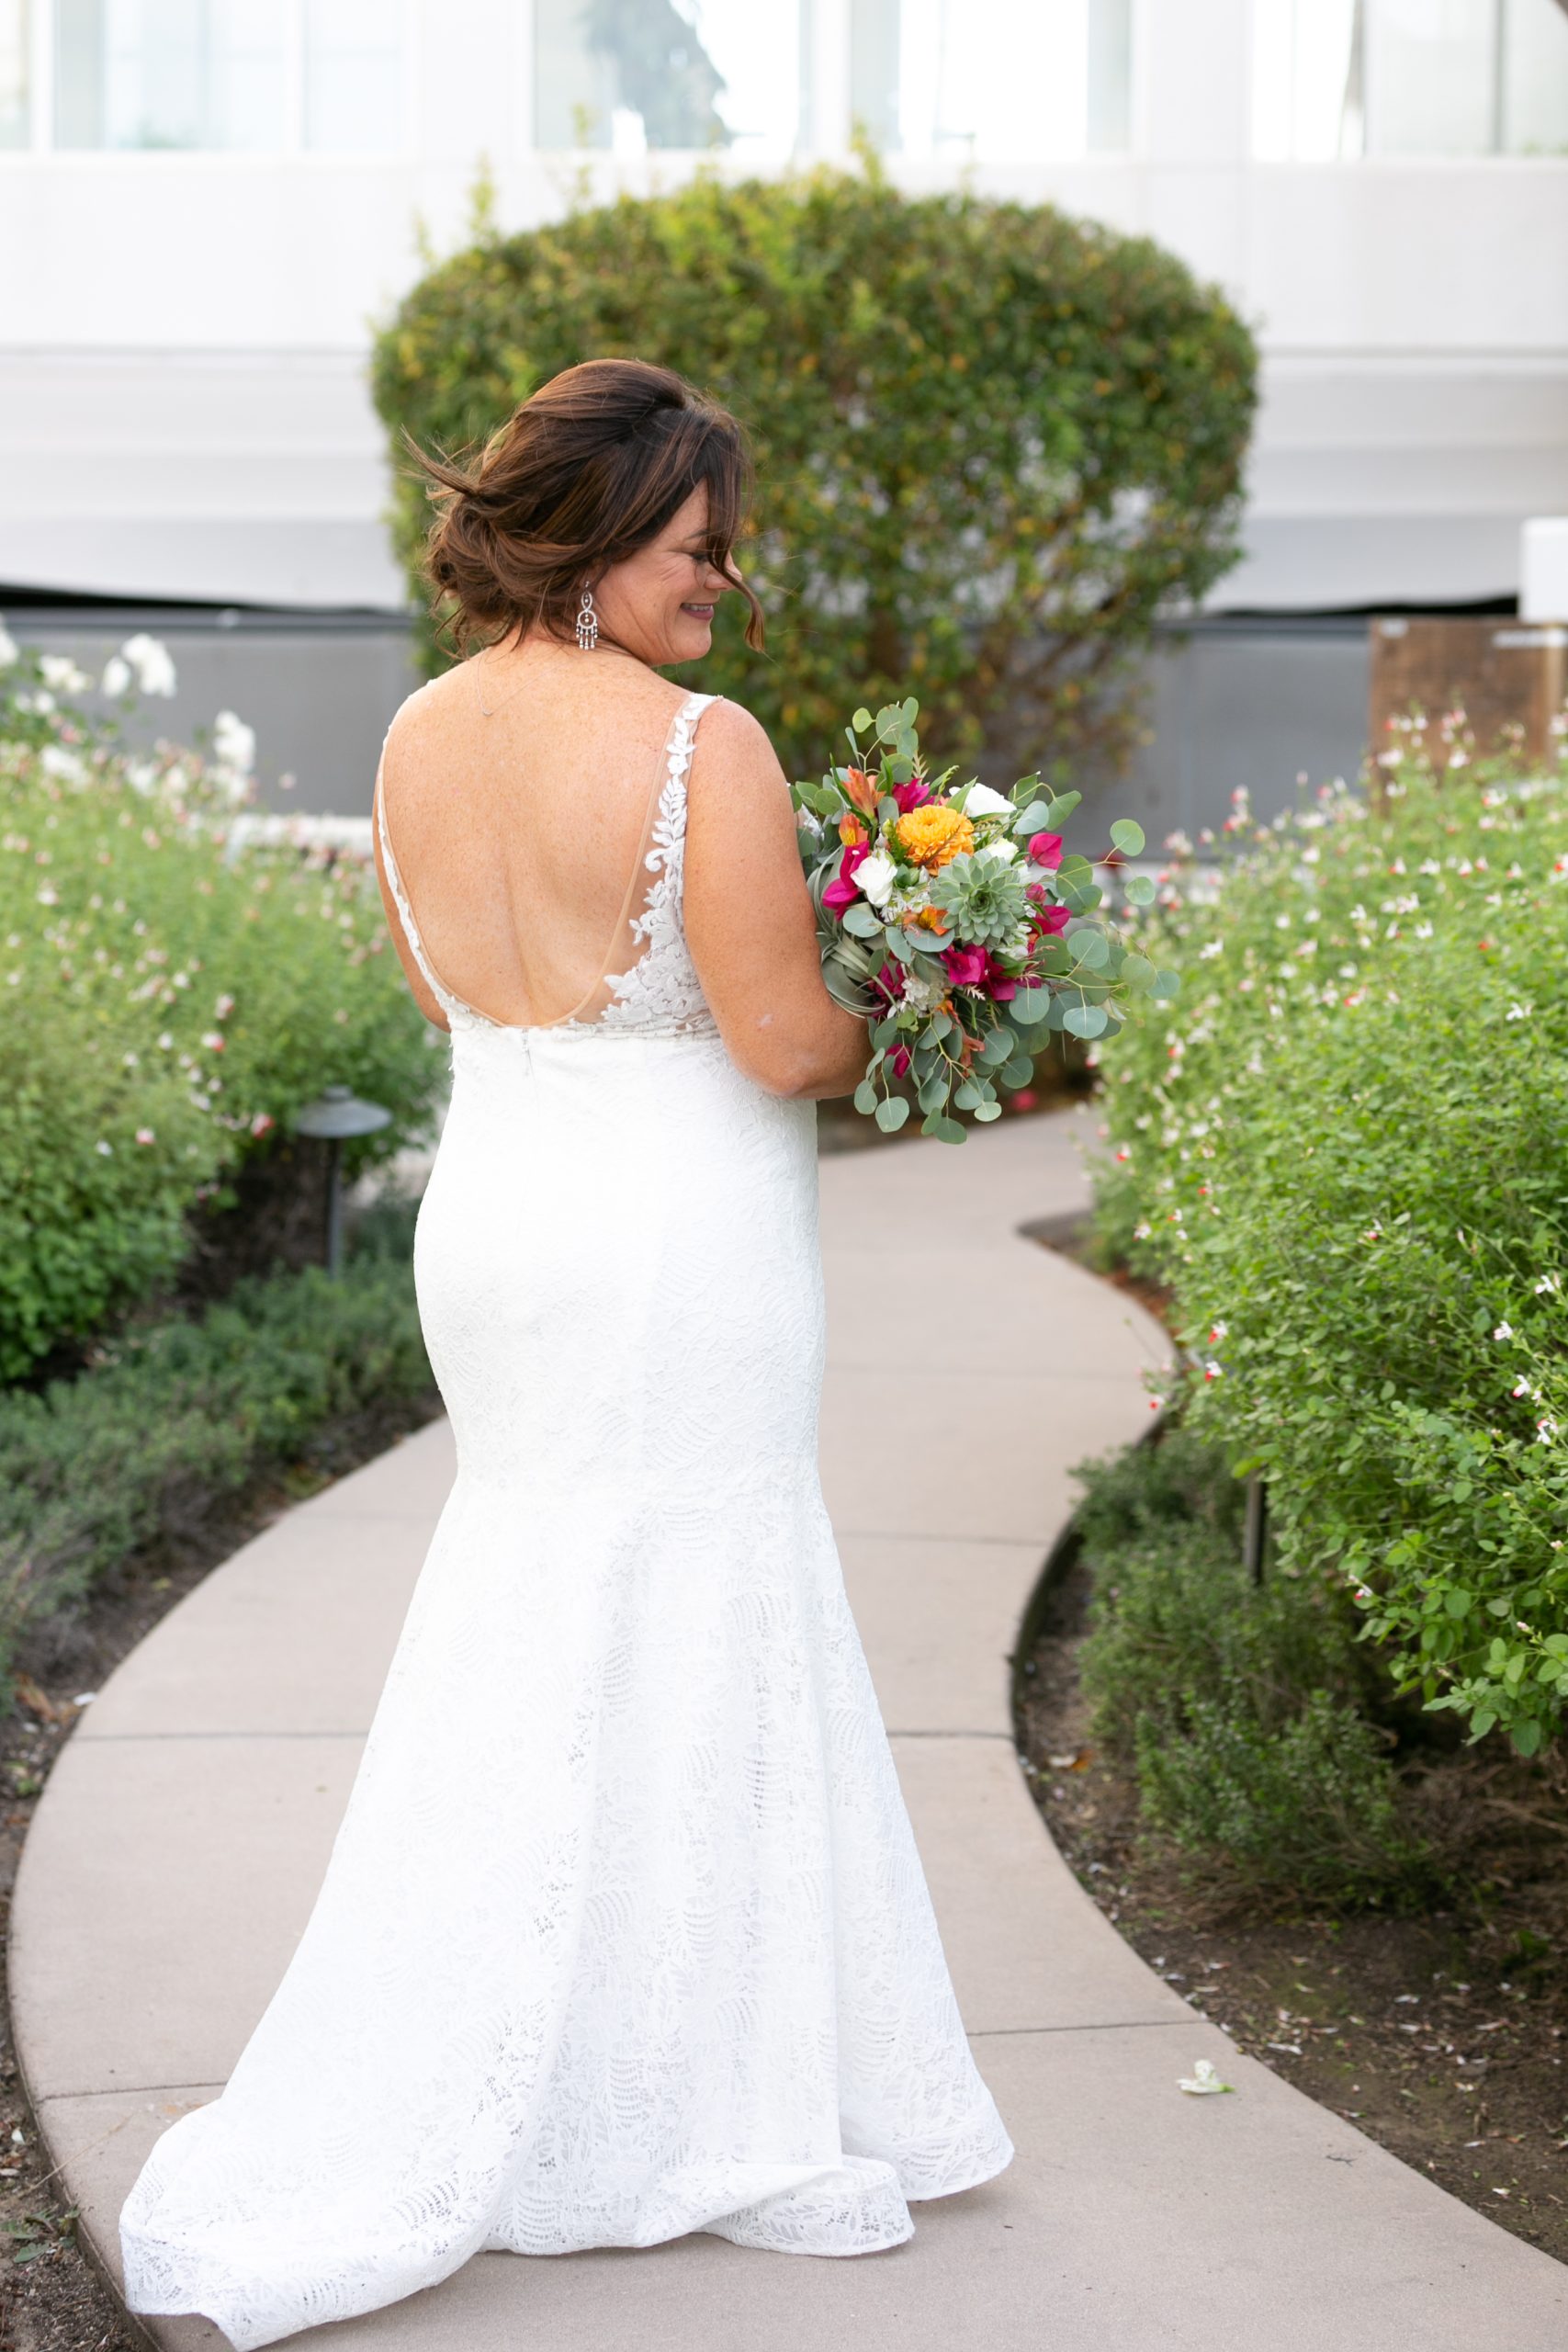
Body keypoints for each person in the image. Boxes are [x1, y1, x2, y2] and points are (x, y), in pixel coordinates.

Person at [118, 357, 1011, 2350]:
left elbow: (454, 991)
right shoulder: (705, 745)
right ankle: (690, 2097)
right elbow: (781, 1040)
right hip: (677, 1244)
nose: (722, 581)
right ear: (598, 536)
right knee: (701, 1598)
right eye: (695, 546)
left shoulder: (415, 739)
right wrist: (938, 987)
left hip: (502, 1226)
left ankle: (519, 2052)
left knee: (534, 1602)